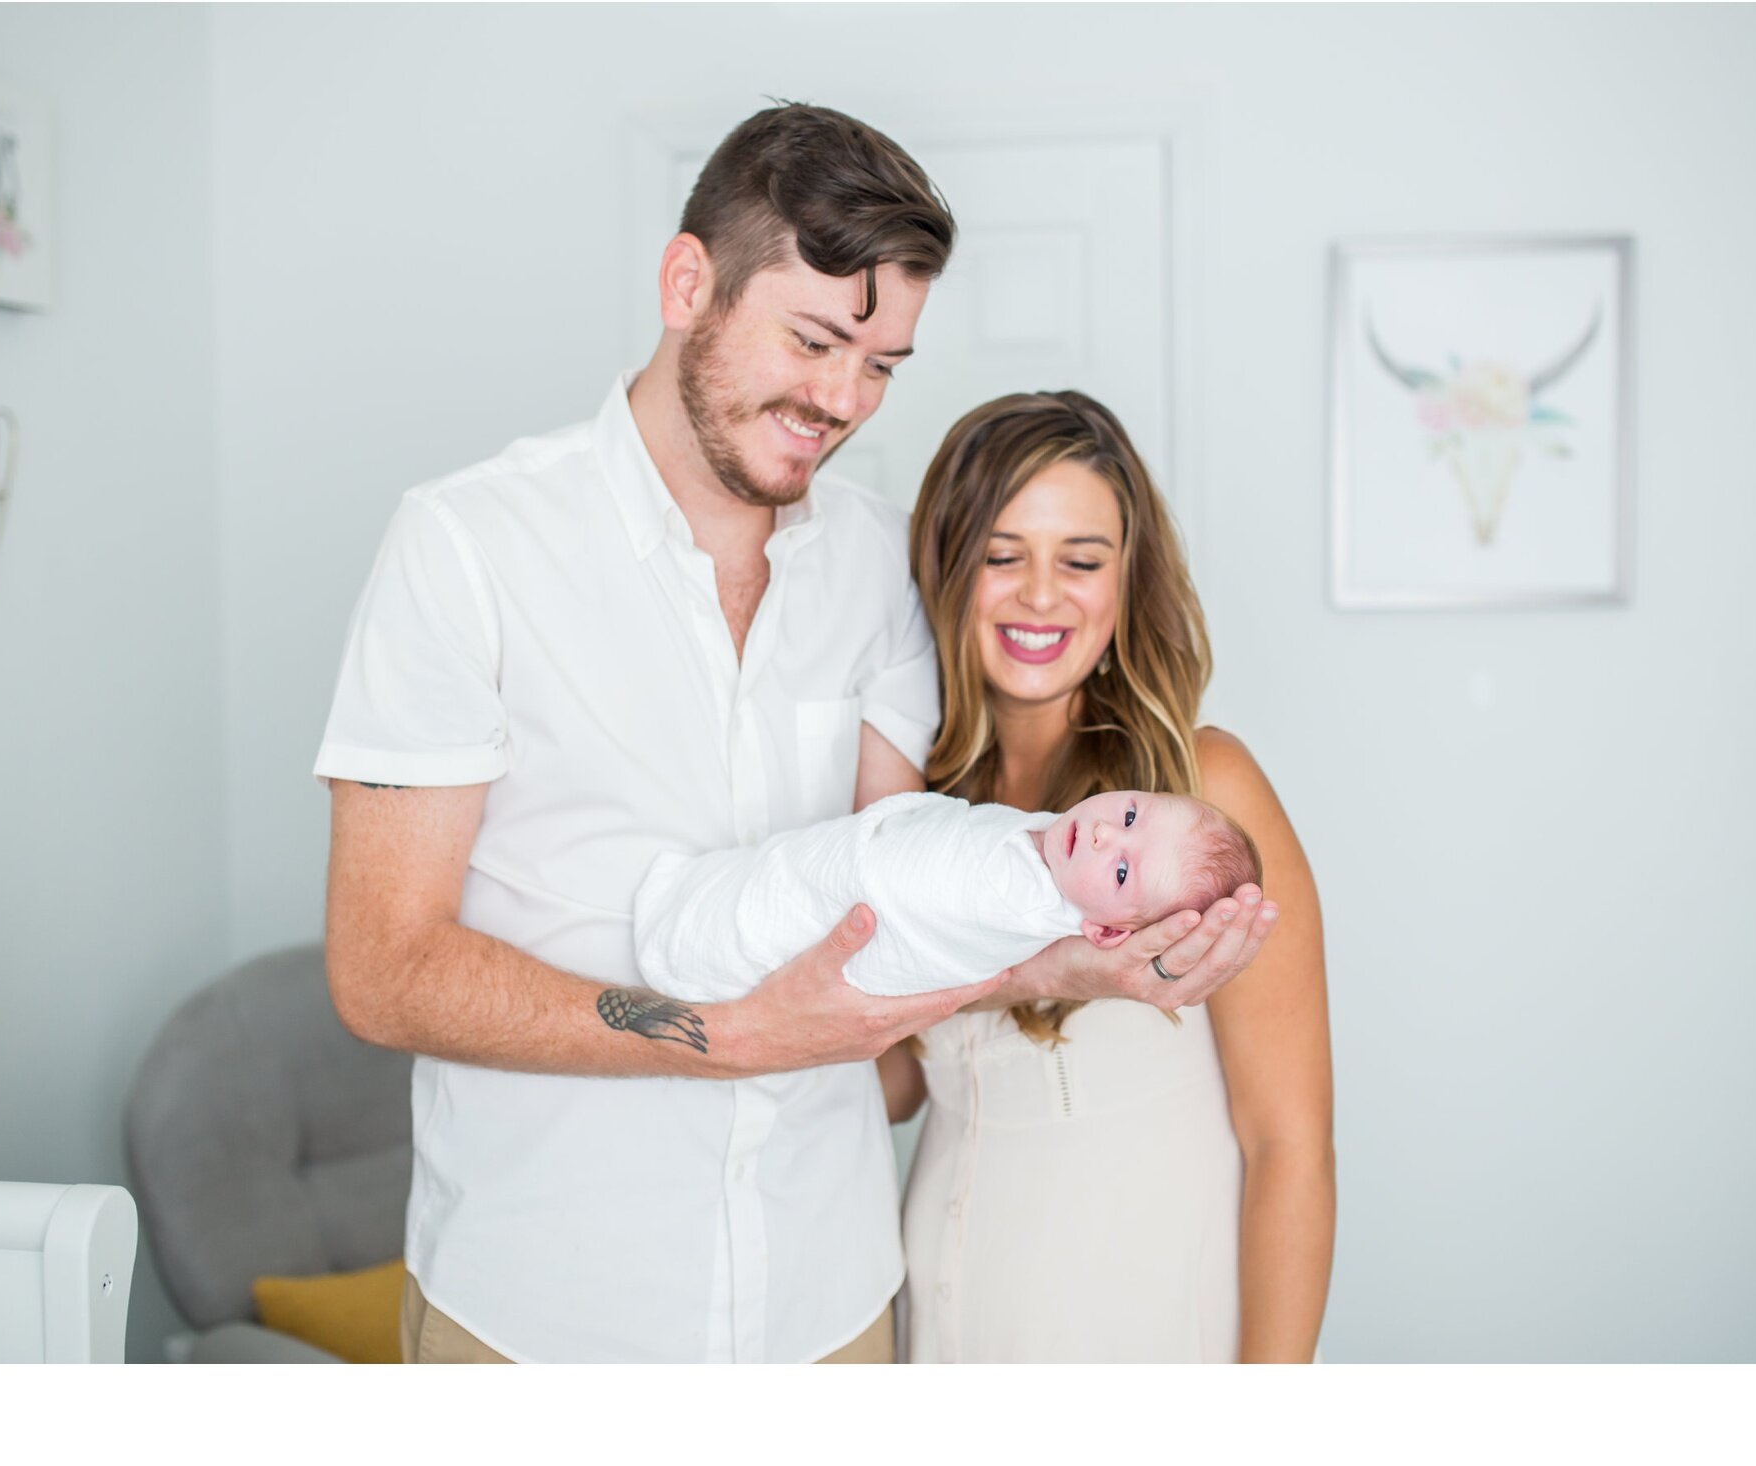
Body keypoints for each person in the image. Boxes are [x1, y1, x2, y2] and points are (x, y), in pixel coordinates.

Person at [316, 105, 1273, 1365]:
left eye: (880, 365)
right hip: (542, 1315)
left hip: (829, 1308)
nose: (842, 400)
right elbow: (382, 969)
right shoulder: (466, 549)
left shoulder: (884, 565)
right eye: (815, 340)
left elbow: (895, 898)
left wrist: (1057, 968)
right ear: (685, 282)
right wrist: (724, 1039)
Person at [881, 390, 1332, 1363]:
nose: (1039, 594)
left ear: (1127, 582)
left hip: (1142, 1330)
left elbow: (1286, 1144)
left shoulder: (1204, 789)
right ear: (946, 567)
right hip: (938, 1334)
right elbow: (883, 1086)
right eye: (1002, 554)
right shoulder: (909, 801)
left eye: (1079, 560)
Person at [636, 787, 1259, 1002]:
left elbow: (899, 886)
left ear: (1104, 934)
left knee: (748, 917)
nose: (1101, 833)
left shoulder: (1010, 898)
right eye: (1130, 814)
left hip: (825, 904)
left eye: (1122, 873)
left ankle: (681, 938)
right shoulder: (1050, 847)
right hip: (757, 862)